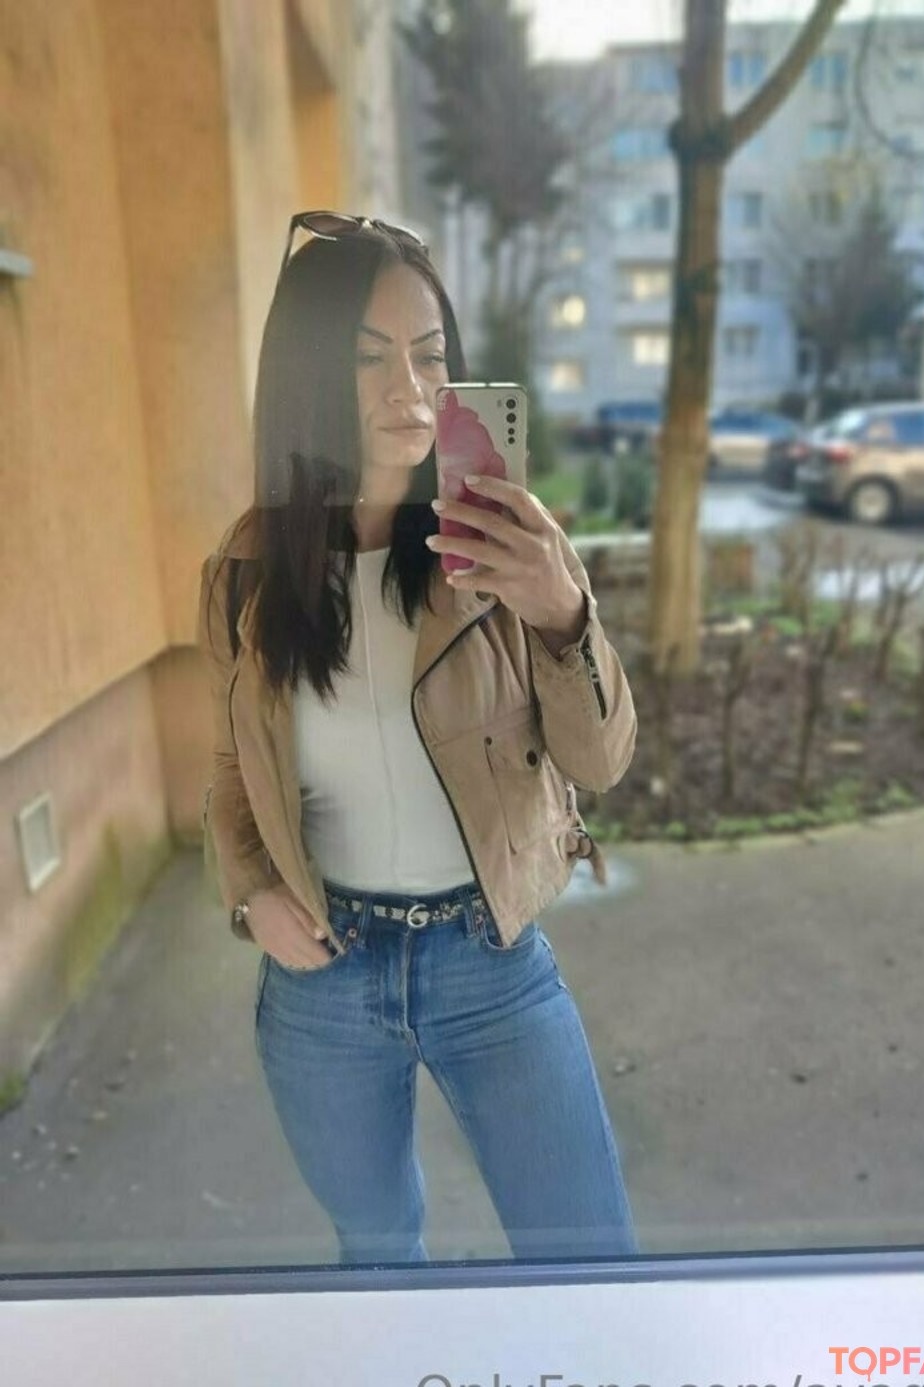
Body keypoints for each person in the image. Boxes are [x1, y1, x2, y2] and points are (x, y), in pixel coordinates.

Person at [196, 212, 639, 1266]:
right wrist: (250, 893)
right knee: (378, 1251)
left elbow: (601, 760)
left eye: (431, 356)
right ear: (307, 377)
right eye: (368, 359)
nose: (410, 389)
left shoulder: (503, 542)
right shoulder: (250, 573)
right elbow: (232, 766)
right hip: (325, 976)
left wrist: (562, 614)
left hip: (490, 959)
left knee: (589, 1255)